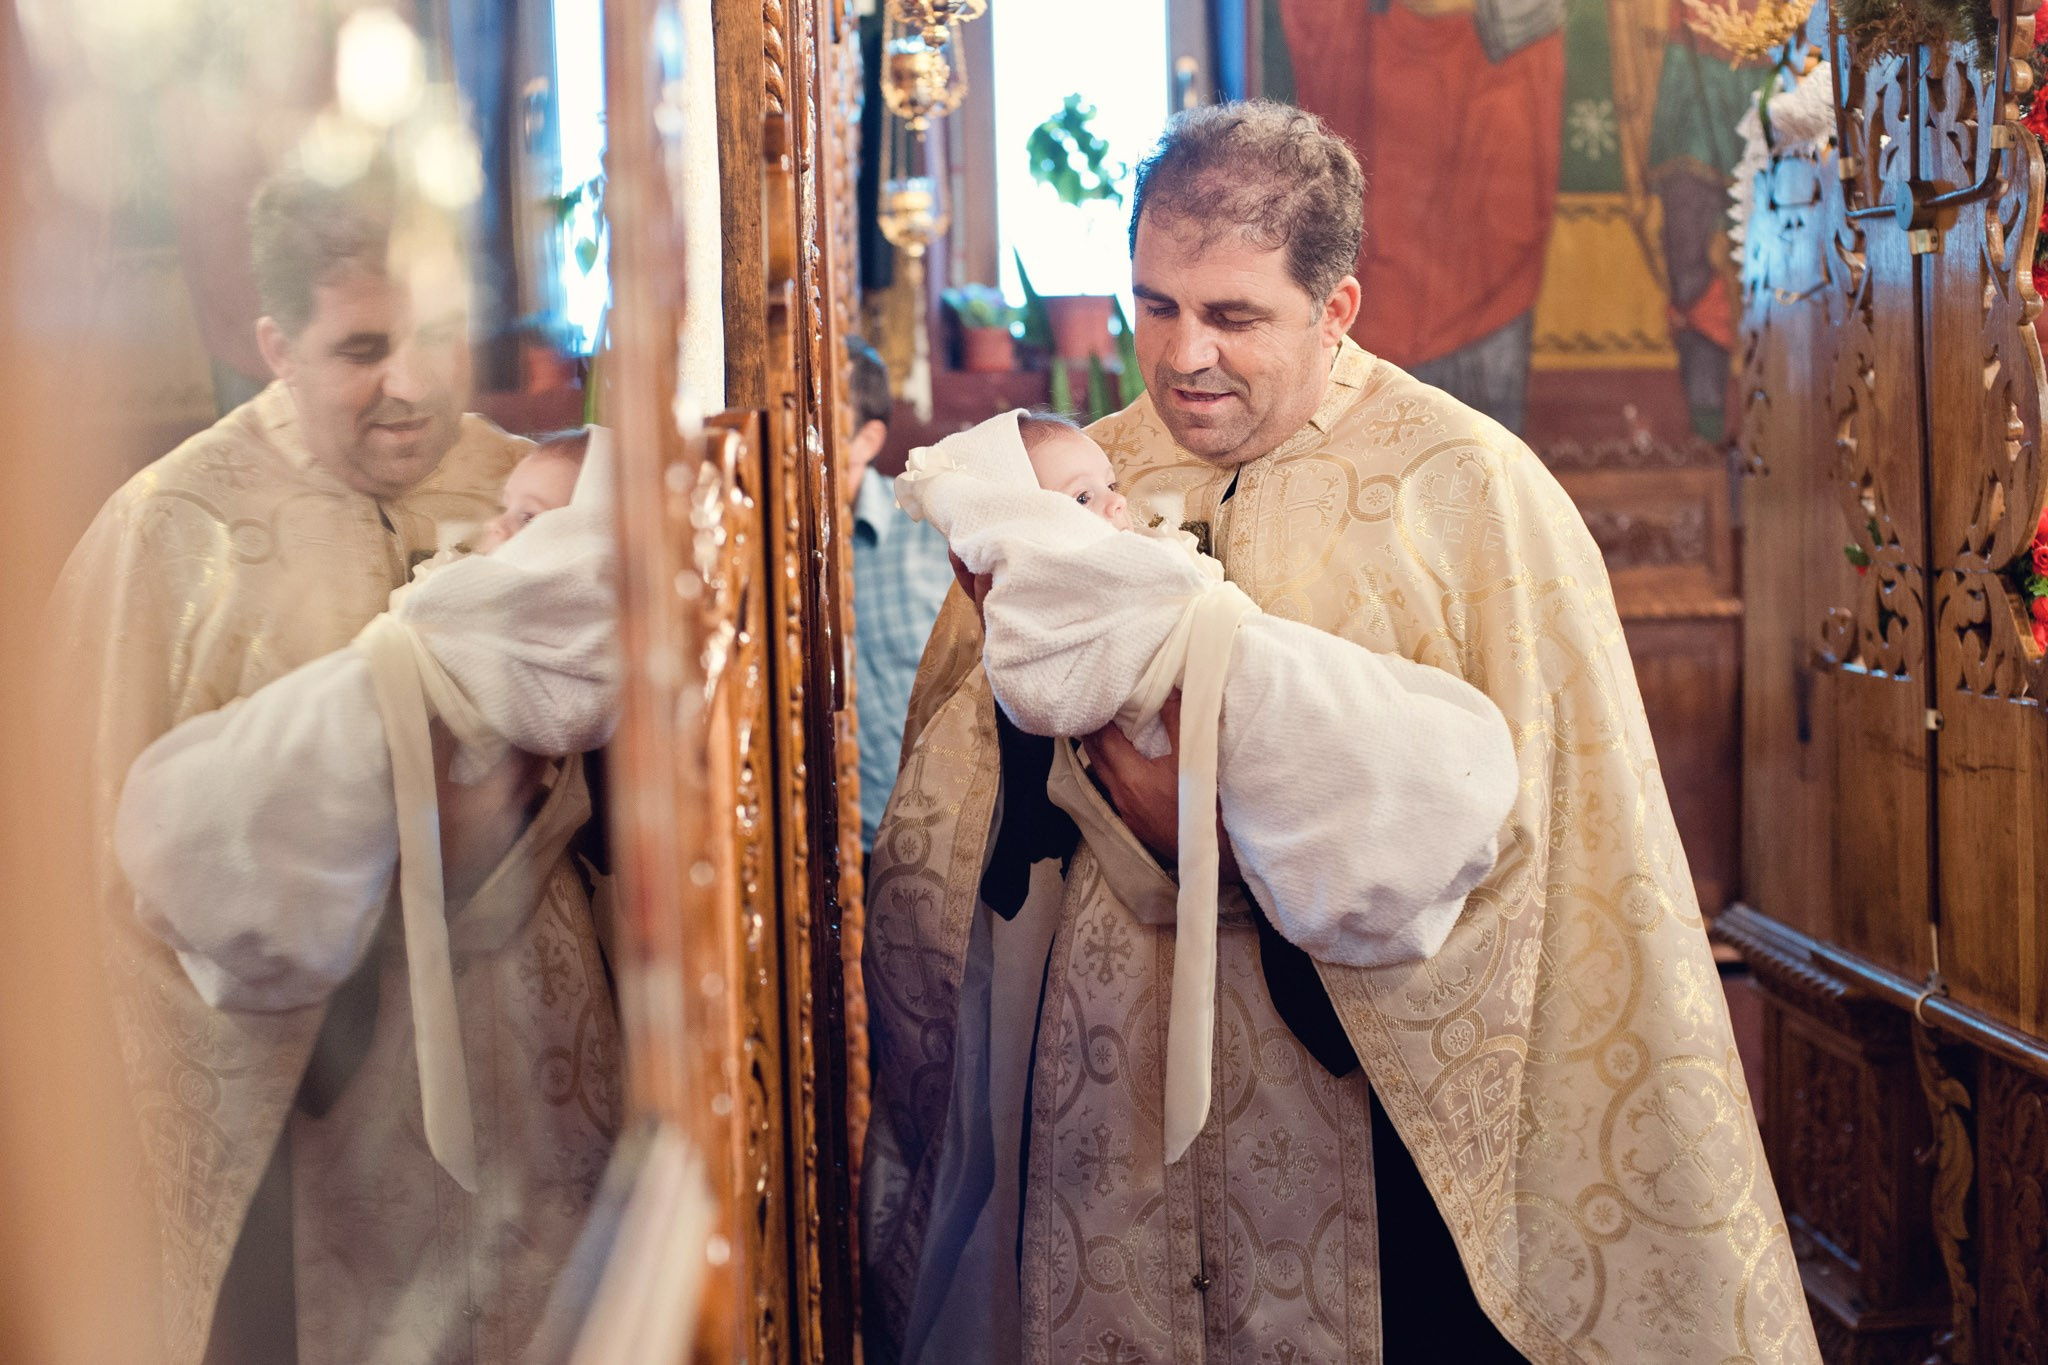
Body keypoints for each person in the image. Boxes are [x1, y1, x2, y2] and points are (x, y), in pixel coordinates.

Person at [861, 101, 1820, 1363]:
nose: (1184, 355)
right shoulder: (1068, 484)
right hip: (1112, 1106)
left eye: (1234, 316)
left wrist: (1250, 835)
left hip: (1363, 1110)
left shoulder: (1469, 491)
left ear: (1336, 307)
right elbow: (950, 828)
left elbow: (1558, 853)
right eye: (1153, 305)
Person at [52, 166, 619, 1365]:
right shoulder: (166, 536)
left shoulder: (535, 487)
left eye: (436, 334)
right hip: (316, 1128)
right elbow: (78, 877)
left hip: (544, 1085)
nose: (411, 383)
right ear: (276, 346)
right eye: (361, 349)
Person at [845, 336, 956, 855]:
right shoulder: (757, 541)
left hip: (933, 843)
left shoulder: (930, 533)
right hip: (809, 841)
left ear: (867, 440)